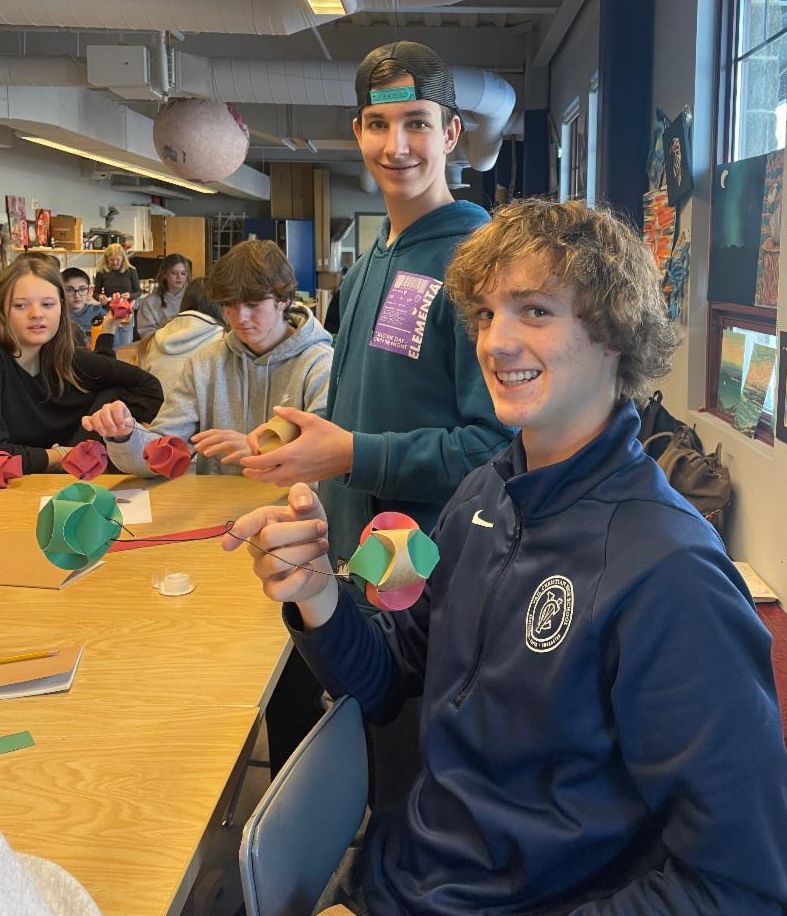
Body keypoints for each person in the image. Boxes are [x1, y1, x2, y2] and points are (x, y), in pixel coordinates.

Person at [225, 200, 787, 915]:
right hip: (400, 875)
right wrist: (316, 594)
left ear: (614, 331)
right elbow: (388, 674)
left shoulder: (671, 572)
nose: (495, 342)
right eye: (486, 314)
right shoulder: (482, 493)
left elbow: (737, 885)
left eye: (535, 312)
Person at [239, 42, 513, 778]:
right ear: (357, 132)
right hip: (347, 577)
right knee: (351, 763)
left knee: (411, 782)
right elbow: (355, 412)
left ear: (451, 133)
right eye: (379, 124)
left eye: (417, 123)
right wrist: (302, 449)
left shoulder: (479, 266)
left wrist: (352, 454)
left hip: (430, 588)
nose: (397, 146)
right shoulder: (363, 271)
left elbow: (494, 448)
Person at [81, 239, 333, 478]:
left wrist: (259, 448)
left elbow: (328, 453)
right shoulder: (206, 363)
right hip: (217, 502)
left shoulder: (319, 364)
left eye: (253, 304)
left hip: (294, 503)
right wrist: (126, 435)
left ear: (284, 300)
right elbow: (162, 451)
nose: (240, 317)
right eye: (230, 304)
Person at [0, 257, 163, 474]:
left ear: (61, 307)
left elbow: (149, 387)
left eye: (48, 304)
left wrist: (119, 426)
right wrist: (62, 455)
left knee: (113, 394)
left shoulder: (69, 359)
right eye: (20, 305)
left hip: (75, 483)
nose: (37, 314)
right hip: (18, 488)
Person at [136, 278, 227, 400]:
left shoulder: (151, 340)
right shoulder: (225, 339)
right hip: (200, 410)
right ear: (220, 305)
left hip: (154, 408)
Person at [92, 243, 141, 348]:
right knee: (111, 344)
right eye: (111, 260)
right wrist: (100, 297)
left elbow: (138, 292)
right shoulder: (102, 272)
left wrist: (130, 295)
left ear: (123, 258)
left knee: (125, 346)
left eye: (118, 260)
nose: (115, 263)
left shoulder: (131, 271)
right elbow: (95, 293)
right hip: (109, 313)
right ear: (106, 259)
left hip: (126, 314)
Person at [135, 254, 191, 338]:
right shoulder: (150, 302)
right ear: (165, 274)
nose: (179, 277)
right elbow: (147, 333)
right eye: (174, 273)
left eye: (183, 273)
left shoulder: (194, 298)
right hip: (161, 344)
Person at [61, 267, 103, 344]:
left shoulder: (99, 313)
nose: (77, 295)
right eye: (69, 290)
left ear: (89, 291)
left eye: (82, 289)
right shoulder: (57, 315)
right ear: (60, 292)